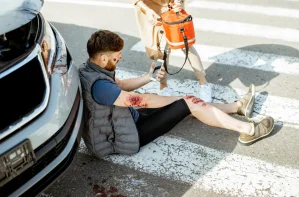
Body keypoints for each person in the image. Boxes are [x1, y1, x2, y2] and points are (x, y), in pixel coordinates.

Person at [79, 30, 275, 158]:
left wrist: (148, 77)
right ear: (104, 58)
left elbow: (120, 84)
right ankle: (248, 131)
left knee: (189, 104)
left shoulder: (93, 69)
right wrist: (178, 100)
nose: (120, 57)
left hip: (127, 120)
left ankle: (237, 107)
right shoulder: (100, 86)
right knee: (188, 102)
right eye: (116, 55)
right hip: (125, 137)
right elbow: (141, 100)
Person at [132, 0, 213, 102]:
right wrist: (147, 10)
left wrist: (178, 2)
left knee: (184, 43)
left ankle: (203, 83)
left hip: (171, 4)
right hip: (149, 7)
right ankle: (163, 85)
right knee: (160, 49)